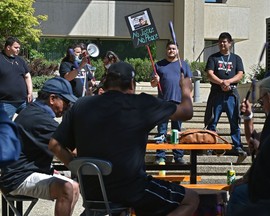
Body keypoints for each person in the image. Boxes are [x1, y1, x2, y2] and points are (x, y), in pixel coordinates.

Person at [49, 62, 199, 216]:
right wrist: (186, 90)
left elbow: (54, 145)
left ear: (106, 83)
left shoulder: (81, 105)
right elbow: (186, 112)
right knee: (191, 199)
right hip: (133, 190)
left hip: (92, 191)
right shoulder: (141, 104)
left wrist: (80, 171)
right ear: (131, 85)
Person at [0, 77, 80, 216]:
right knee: (67, 188)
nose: (67, 107)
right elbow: (73, 149)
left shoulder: (34, 110)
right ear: (52, 98)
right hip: (17, 178)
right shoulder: (40, 119)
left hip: (23, 172)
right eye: (66, 102)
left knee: (74, 188)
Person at [226, 75, 270, 216]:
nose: (263, 105)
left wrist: (243, 179)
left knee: (238, 193)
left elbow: (262, 157)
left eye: (261, 101)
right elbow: (256, 142)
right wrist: (248, 117)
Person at [204, 32, 246, 157]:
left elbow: (240, 74)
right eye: (220, 41)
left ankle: (237, 146)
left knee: (234, 122)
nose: (222, 44)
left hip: (231, 95)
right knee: (212, 122)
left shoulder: (236, 58)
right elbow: (210, 74)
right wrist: (221, 82)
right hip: (216, 94)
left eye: (225, 41)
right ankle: (209, 147)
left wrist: (229, 82)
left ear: (230, 43)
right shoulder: (213, 58)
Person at [150, 40, 192, 165]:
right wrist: (155, 80)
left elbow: (189, 84)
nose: (171, 51)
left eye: (174, 49)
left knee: (177, 131)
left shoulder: (183, 65)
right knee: (161, 131)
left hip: (178, 103)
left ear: (177, 51)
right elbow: (152, 84)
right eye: (169, 48)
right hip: (163, 103)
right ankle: (160, 156)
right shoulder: (158, 65)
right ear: (166, 50)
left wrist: (188, 99)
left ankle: (178, 156)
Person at [0, 36, 33, 119]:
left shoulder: (20, 60)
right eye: (16, 47)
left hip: (23, 101)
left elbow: (27, 76)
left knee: (29, 122)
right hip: (6, 102)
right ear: (8, 47)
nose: (18, 49)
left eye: (19, 47)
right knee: (5, 127)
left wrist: (30, 92)